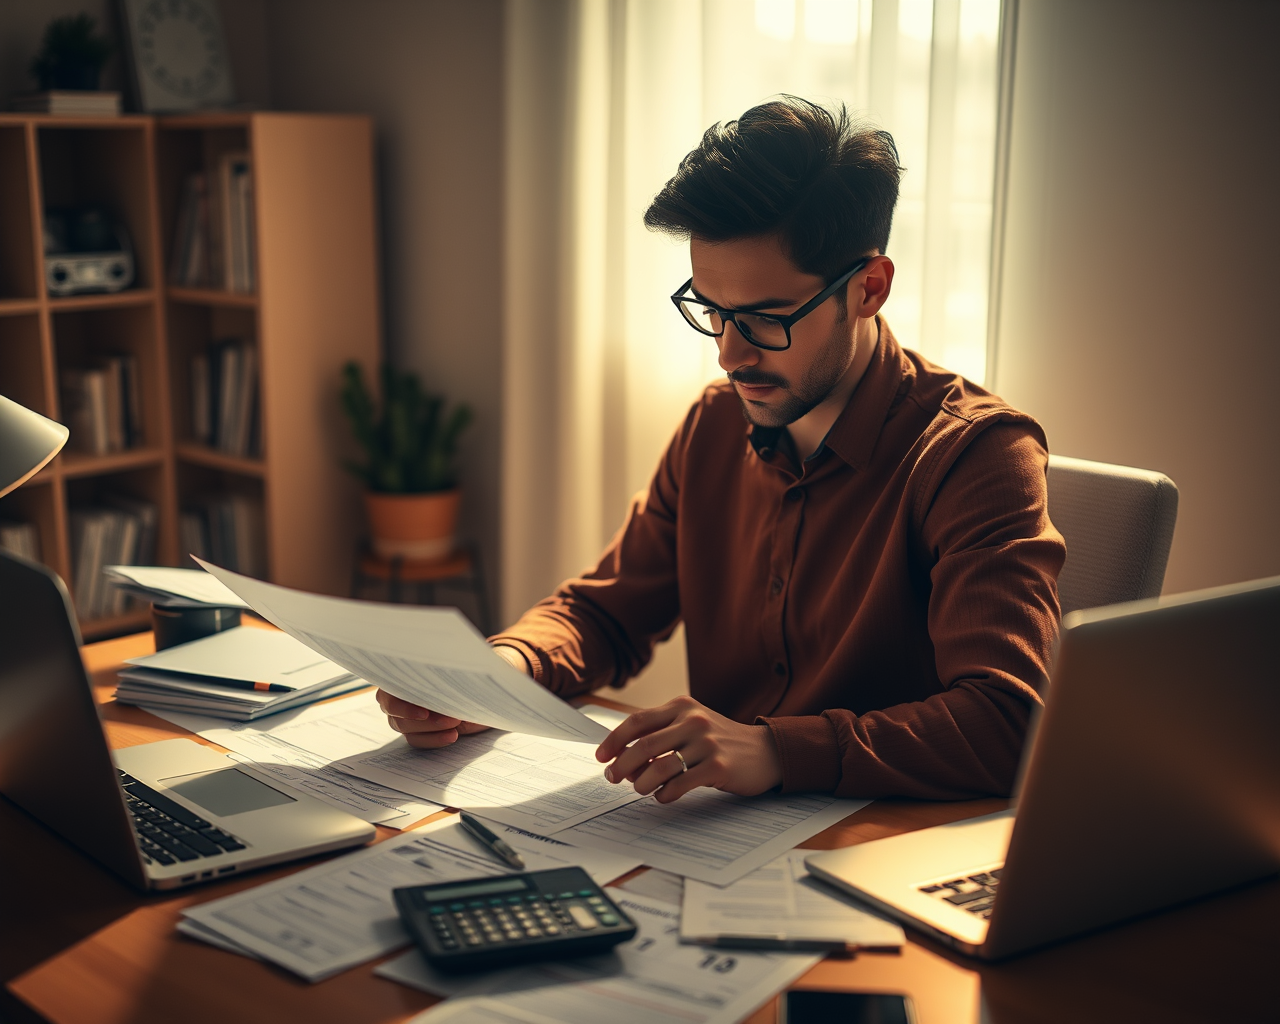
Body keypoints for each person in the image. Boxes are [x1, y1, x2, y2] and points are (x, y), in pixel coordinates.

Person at [379, 97, 1065, 804]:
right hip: (709, 837)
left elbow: (1009, 723)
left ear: (869, 289)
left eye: (765, 320)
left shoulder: (977, 456)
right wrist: (498, 671)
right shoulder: (713, 424)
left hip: (879, 844)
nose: (729, 356)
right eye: (712, 310)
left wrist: (775, 749)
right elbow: (607, 614)